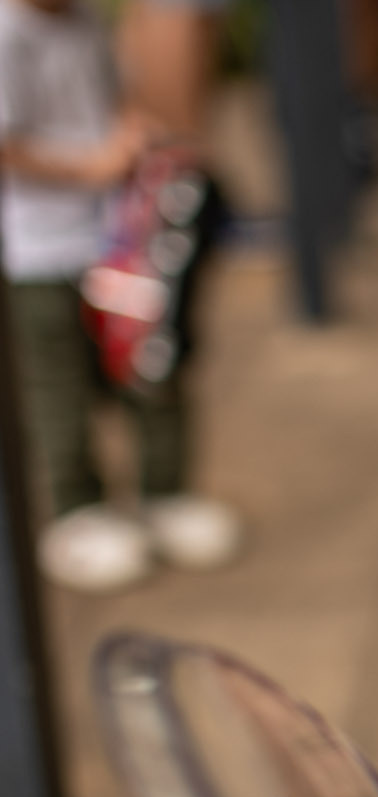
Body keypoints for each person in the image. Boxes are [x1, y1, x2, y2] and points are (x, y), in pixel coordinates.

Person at [1, 0, 239, 592]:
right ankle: (76, 512)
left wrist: (136, 133)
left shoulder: (82, 19)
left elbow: (116, 92)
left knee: (152, 362)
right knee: (58, 389)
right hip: (37, 251)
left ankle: (166, 490)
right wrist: (89, 167)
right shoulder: (9, 32)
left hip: (117, 238)